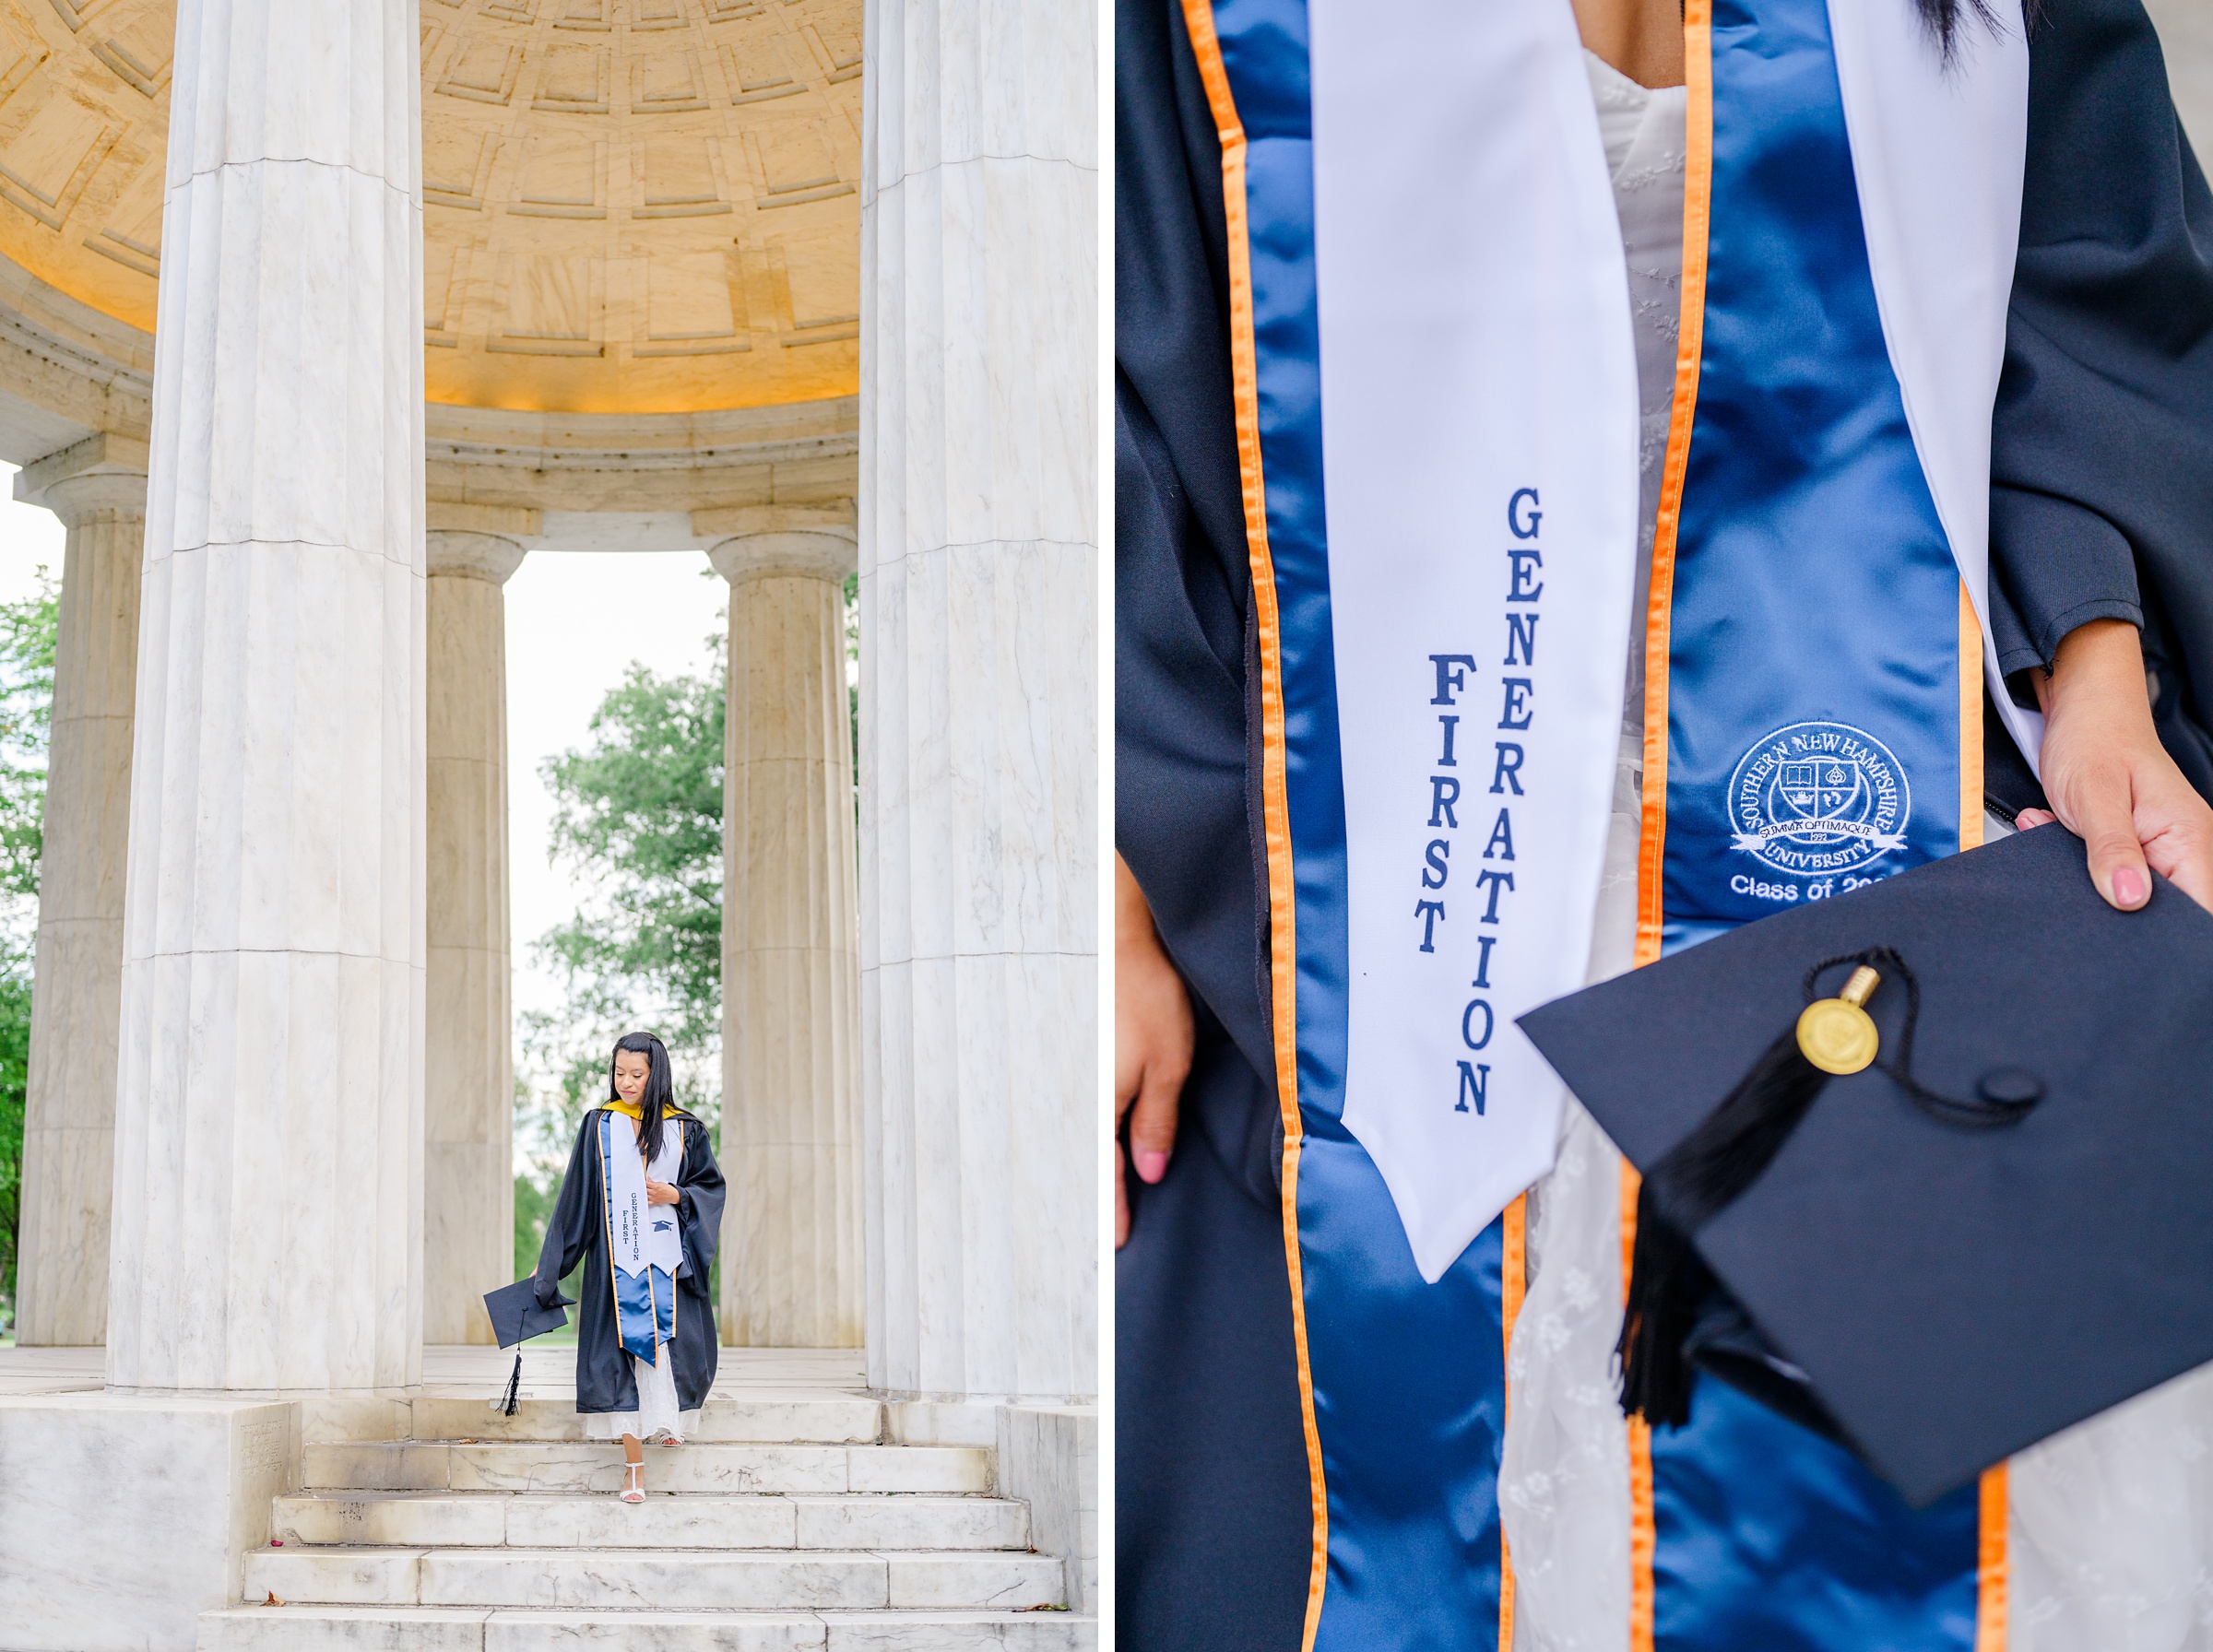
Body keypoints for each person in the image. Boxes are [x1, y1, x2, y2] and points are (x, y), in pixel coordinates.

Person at [1117, 0, 2213, 1646]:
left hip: (1888, 877)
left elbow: (2099, 288)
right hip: (1372, 900)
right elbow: (1091, 393)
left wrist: (2099, 655)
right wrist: (1109, 865)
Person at [534, 1032, 727, 1504]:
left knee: (667, 1354)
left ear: (655, 1074)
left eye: (636, 1075)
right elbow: (576, 1199)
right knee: (617, 1361)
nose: (626, 1083)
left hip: (669, 1264)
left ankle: (669, 1420)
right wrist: (551, 1269)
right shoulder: (600, 1125)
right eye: (619, 1073)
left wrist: (675, 1194)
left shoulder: (685, 1129)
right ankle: (633, 1470)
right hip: (614, 1267)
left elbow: (710, 1188)